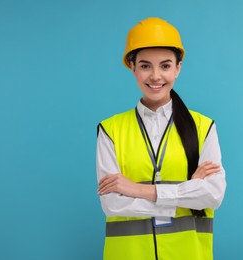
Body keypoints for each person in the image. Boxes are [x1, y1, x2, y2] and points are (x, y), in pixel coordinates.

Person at [96, 17, 226, 260]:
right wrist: (187, 193)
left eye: (165, 66)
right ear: (132, 68)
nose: (155, 76)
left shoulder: (203, 127)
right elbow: (113, 205)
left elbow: (212, 195)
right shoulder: (110, 130)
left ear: (178, 68)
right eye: (145, 66)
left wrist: (137, 190)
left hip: (188, 253)